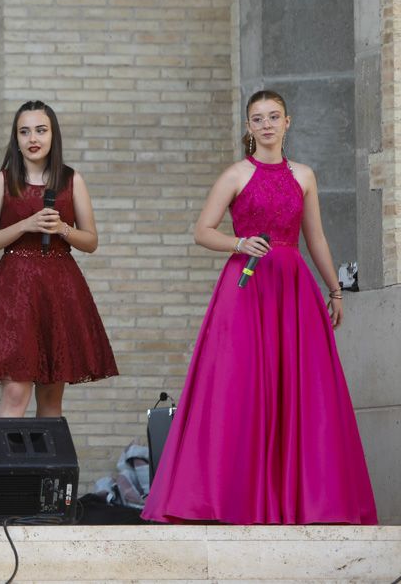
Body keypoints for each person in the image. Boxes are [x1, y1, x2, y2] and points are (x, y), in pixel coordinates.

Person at [141, 90, 378, 524]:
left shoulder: (305, 175)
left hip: (292, 287)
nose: (266, 124)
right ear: (248, 127)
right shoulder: (235, 174)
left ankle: (303, 503)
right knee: (239, 387)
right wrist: (237, 242)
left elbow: (316, 238)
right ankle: (226, 499)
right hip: (245, 287)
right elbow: (202, 230)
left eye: (273, 117)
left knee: (301, 391)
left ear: (288, 122)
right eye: (257, 118)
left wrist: (335, 290)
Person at [0, 100, 118, 417]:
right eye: (24, 132)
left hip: (59, 287)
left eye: (40, 130)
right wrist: (24, 225)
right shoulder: (0, 181)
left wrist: (64, 229)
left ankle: (46, 469)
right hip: (15, 288)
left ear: (53, 135)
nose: (32, 139)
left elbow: (91, 241)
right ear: (16, 138)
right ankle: (4, 467)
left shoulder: (71, 180)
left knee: (52, 398)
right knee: (15, 391)